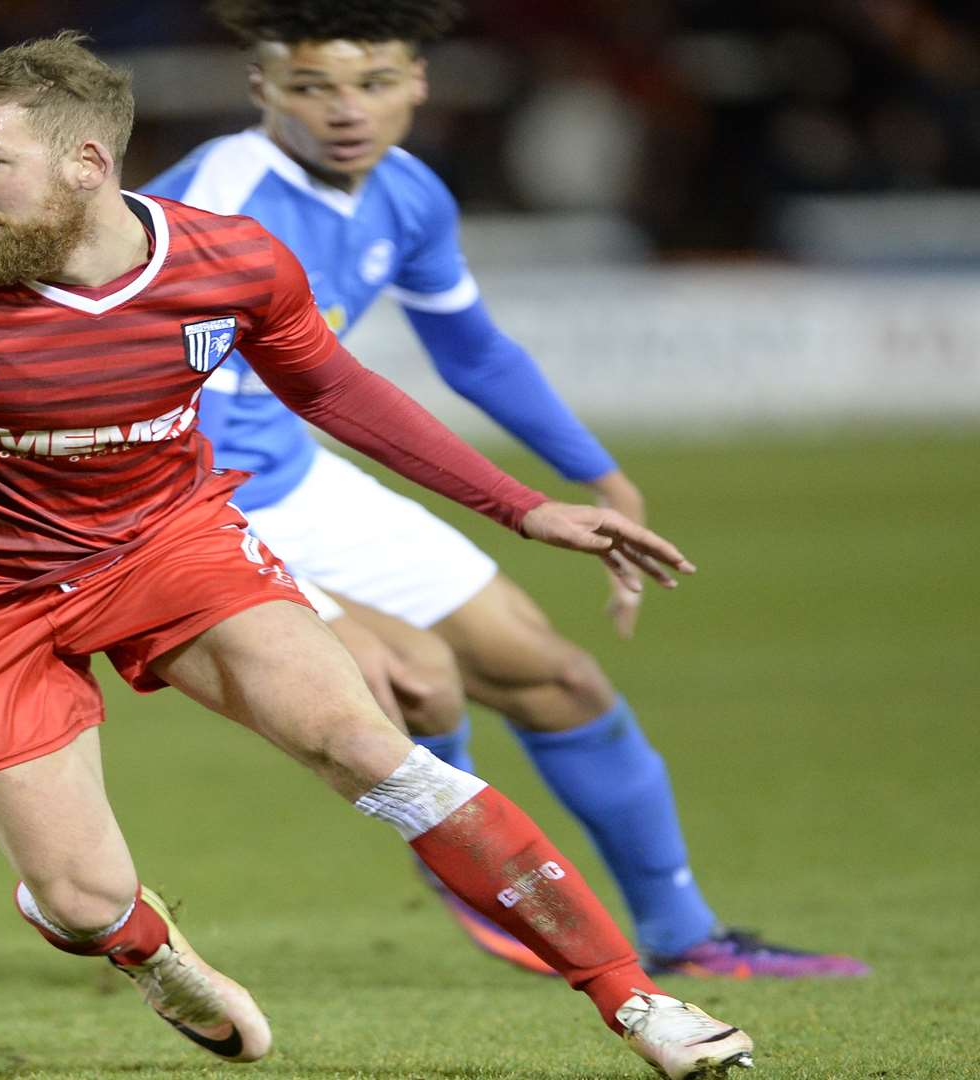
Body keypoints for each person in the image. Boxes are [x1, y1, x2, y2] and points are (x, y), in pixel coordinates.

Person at [0, 33, 755, 1078]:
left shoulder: (229, 266)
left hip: (171, 550)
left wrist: (523, 509)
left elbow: (338, 393)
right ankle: (150, 951)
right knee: (81, 899)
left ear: (86, 162)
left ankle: (638, 1005)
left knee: (378, 750)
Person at [140, 0, 867, 980]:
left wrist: (600, 478)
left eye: (374, 82)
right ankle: (466, 858)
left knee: (558, 679)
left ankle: (684, 936)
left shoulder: (407, 191)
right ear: (264, 89)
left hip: (296, 479)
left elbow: (472, 351)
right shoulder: (212, 209)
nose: (346, 110)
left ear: (420, 83)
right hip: (185, 499)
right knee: (411, 676)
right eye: (313, 86)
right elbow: (156, 403)